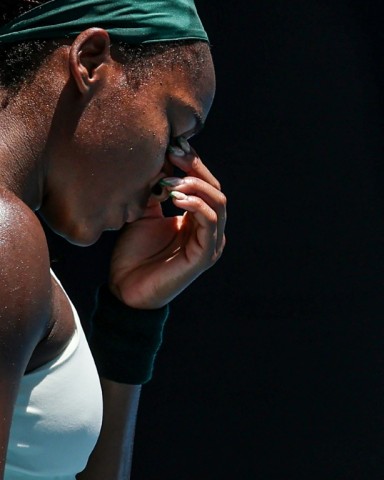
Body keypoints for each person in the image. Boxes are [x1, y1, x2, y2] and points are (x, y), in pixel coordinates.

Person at [0, 0, 226, 479]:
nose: (170, 177)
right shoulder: (5, 238)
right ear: (91, 61)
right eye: (177, 133)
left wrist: (131, 320)